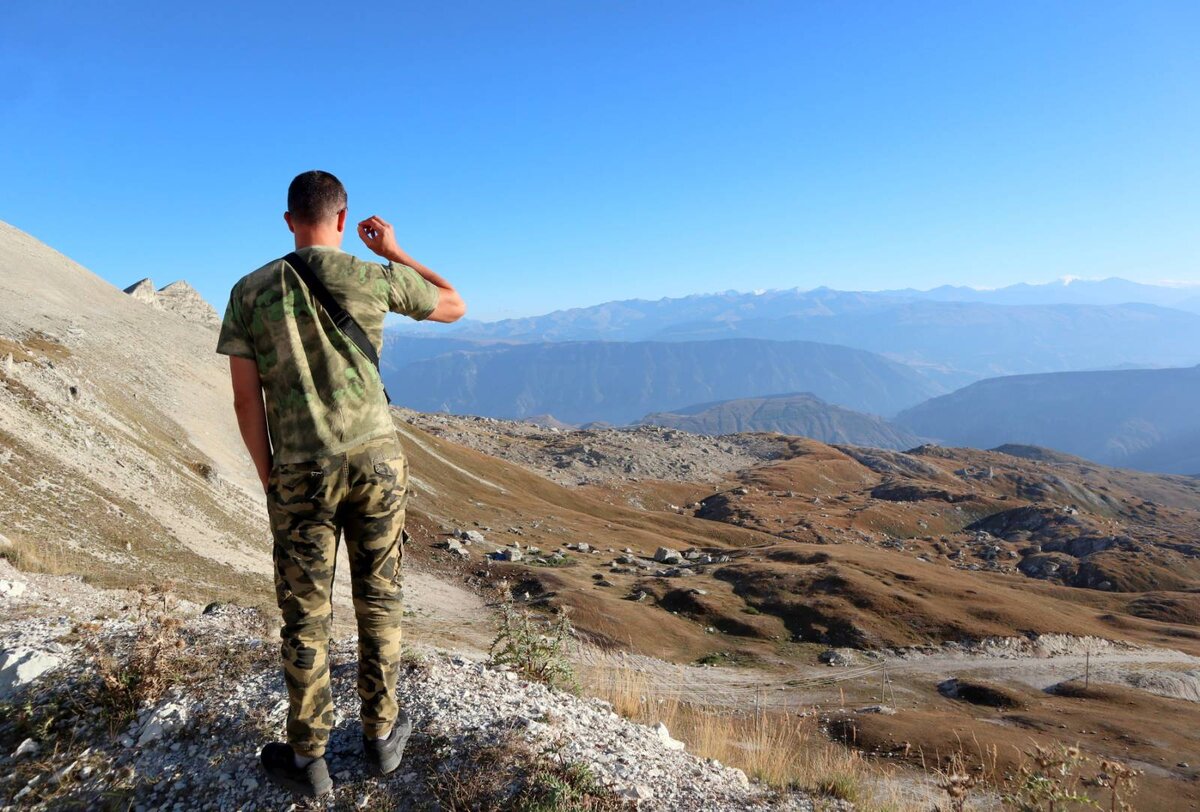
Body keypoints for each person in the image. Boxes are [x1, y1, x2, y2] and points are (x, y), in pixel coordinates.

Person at [216, 170, 465, 797]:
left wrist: (270, 475)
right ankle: (381, 738)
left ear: (287, 219)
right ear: (343, 215)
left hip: (300, 469)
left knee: (305, 613)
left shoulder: (249, 292)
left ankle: (310, 759)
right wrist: (393, 251)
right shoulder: (370, 276)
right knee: (379, 599)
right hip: (378, 463)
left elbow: (246, 403)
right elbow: (454, 303)